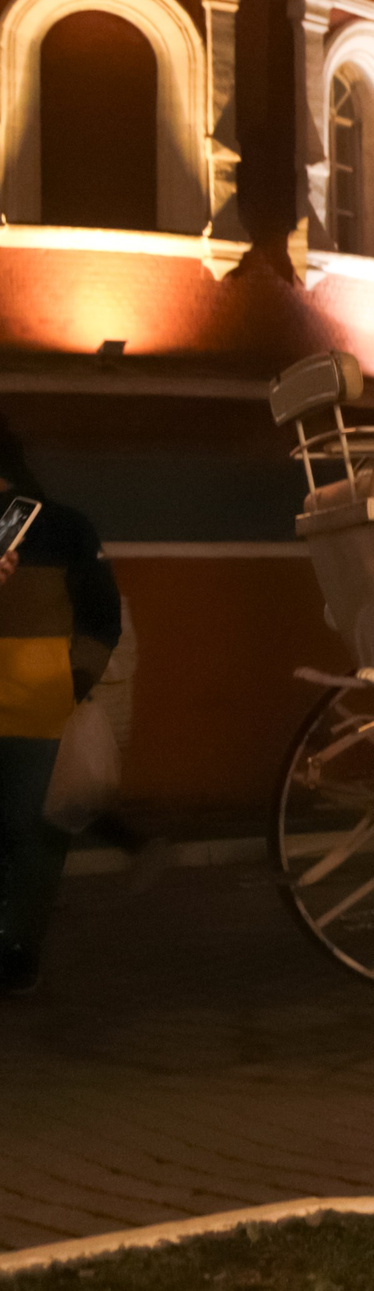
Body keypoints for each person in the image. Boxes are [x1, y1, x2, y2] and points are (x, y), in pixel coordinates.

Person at [0, 421, 123, 994]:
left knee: (30, 834)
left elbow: (100, 613)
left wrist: (76, 680)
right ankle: (18, 949)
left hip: (41, 708)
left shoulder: (62, 527)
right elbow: (102, 615)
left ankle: (18, 950)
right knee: (29, 835)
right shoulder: (66, 524)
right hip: (38, 704)